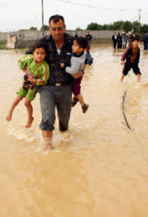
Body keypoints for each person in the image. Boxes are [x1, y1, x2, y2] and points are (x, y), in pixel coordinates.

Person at [26, 15, 84, 149]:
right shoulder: (43, 42)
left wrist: (81, 72)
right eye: (53, 29)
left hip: (66, 88)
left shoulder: (73, 42)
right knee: (47, 118)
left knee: (64, 123)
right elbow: (27, 56)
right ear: (49, 28)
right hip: (47, 87)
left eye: (59, 28)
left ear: (64, 27)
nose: (57, 32)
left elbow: (83, 60)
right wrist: (29, 73)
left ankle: (65, 145)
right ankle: (48, 149)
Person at [6, 41, 50, 129]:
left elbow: (44, 80)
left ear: (45, 55)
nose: (39, 55)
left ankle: (30, 118)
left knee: (27, 102)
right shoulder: (29, 58)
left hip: (34, 85)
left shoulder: (45, 66)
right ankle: (10, 111)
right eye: (37, 53)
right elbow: (19, 61)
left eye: (42, 53)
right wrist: (24, 70)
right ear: (33, 53)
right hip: (26, 82)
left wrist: (35, 81)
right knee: (18, 97)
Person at [60, 37, 89, 113]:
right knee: (75, 88)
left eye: (75, 45)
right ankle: (75, 99)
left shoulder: (76, 60)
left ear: (81, 49)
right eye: (73, 45)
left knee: (76, 91)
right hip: (79, 74)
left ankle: (83, 105)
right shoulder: (82, 54)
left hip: (76, 77)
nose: (72, 46)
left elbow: (73, 70)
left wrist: (64, 67)